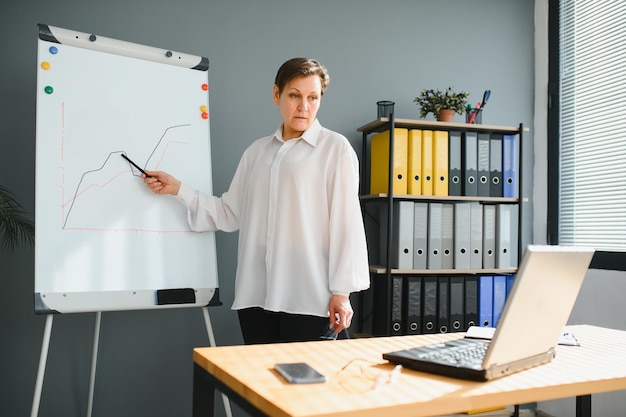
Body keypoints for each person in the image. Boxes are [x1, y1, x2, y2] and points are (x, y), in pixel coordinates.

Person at [143, 57, 369, 344]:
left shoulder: (335, 149)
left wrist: (342, 291)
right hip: (256, 299)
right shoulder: (256, 153)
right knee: (260, 386)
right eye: (294, 95)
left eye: (313, 97)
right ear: (277, 94)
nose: (304, 106)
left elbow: (346, 224)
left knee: (305, 388)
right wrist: (178, 189)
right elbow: (229, 212)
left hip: (310, 300)